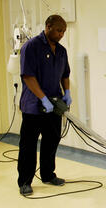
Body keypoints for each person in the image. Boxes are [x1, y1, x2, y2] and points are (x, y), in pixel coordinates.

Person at [17, 15, 72, 196]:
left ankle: (48, 175)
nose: (61, 34)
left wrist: (67, 93)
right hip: (34, 106)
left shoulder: (62, 51)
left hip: (54, 105)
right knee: (28, 145)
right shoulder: (31, 47)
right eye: (58, 30)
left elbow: (65, 74)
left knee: (51, 141)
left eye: (63, 31)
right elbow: (28, 76)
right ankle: (25, 182)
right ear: (48, 27)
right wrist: (42, 98)